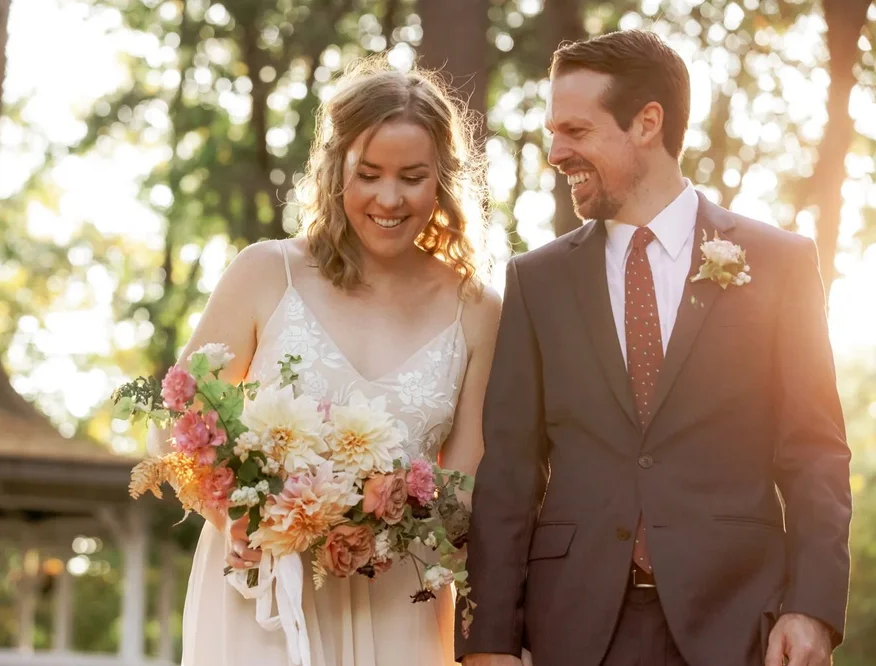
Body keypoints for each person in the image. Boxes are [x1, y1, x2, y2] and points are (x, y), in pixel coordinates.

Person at [458, 30, 851, 666]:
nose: (555, 153)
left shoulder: (780, 263)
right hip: (573, 628)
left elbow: (815, 453)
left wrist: (812, 607)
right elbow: (509, 473)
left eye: (575, 131)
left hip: (739, 620)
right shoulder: (537, 281)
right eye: (553, 133)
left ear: (647, 123)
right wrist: (490, 639)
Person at [149, 55, 502, 666]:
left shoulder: (477, 309)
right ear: (336, 168)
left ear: (442, 179)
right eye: (368, 173)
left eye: (412, 177)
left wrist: (384, 522)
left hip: (398, 605)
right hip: (263, 588)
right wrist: (233, 515)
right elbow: (173, 426)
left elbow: (467, 491)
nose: (389, 198)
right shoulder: (267, 272)